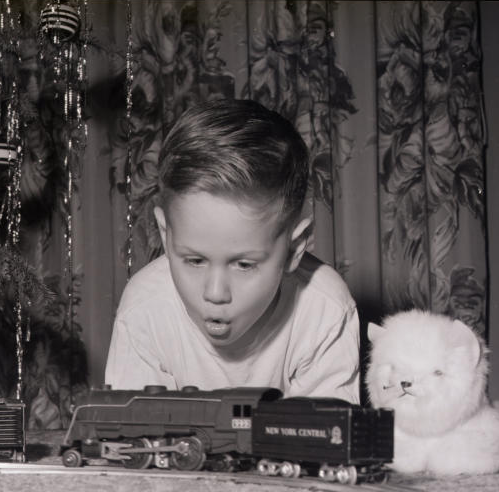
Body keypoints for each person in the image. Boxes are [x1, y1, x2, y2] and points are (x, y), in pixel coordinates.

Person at [103, 98, 360, 403]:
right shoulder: (144, 310)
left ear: (294, 249)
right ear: (165, 235)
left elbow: (324, 442)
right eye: (195, 260)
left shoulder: (325, 310)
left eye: (244, 265)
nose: (215, 293)